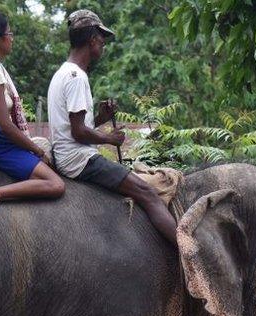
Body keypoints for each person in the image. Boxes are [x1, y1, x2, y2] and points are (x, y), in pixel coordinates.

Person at [47, 10, 178, 245]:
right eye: (102, 39)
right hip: (79, 160)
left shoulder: (63, 73)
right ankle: (188, 252)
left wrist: (101, 118)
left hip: (67, 155)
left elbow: (74, 127)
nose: (104, 44)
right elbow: (78, 133)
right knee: (148, 193)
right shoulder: (77, 77)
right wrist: (110, 138)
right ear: (92, 40)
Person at [0, 12, 65, 210]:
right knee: (56, 184)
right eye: (9, 33)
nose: (12, 38)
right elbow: (5, 126)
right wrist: (36, 150)